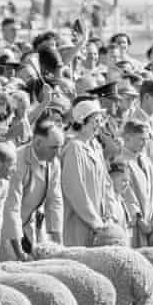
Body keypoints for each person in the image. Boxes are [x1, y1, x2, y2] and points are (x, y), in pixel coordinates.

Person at [0, 117, 64, 262]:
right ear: (38, 143)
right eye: (54, 147)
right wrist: (19, 251)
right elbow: (11, 207)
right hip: (8, 231)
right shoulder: (17, 161)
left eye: (60, 147)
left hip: (31, 225)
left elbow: (55, 201)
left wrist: (59, 241)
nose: (58, 153)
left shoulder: (54, 163)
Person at [61, 99, 111, 247]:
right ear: (82, 121)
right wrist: (95, 222)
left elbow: (106, 183)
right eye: (95, 121)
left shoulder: (96, 146)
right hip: (79, 223)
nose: (99, 125)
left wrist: (109, 213)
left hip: (99, 223)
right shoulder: (74, 148)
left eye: (100, 121)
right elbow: (75, 191)